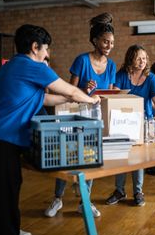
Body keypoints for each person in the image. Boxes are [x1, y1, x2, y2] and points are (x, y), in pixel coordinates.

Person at [0, 24, 100, 235]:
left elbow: (47, 98)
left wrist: (73, 96)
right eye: (46, 49)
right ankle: (6, 233)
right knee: (1, 201)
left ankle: (11, 231)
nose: (47, 54)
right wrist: (91, 99)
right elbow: (68, 88)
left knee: (8, 191)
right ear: (34, 47)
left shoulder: (12, 66)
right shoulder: (32, 66)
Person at [45, 13, 116, 219]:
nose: (109, 45)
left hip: (95, 117)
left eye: (111, 43)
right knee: (66, 157)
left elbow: (109, 92)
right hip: (75, 115)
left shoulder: (110, 65)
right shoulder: (82, 60)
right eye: (105, 41)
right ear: (95, 40)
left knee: (90, 159)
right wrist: (85, 89)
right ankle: (57, 198)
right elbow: (70, 90)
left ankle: (84, 202)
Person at [106, 44, 155, 207]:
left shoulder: (151, 78)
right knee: (121, 157)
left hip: (142, 122)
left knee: (138, 158)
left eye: (144, 58)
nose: (142, 61)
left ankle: (138, 191)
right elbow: (115, 94)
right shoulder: (122, 75)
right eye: (138, 58)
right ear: (130, 59)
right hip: (121, 121)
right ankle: (119, 191)